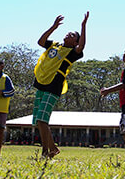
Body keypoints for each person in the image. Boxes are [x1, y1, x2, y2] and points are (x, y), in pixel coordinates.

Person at [32, 12, 87, 158]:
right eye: (68, 33)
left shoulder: (72, 52)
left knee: (43, 120)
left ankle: (45, 152)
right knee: (39, 121)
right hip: (42, 83)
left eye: (73, 35)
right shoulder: (54, 45)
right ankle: (53, 149)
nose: (69, 35)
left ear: (75, 42)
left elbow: (81, 46)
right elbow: (40, 41)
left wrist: (83, 26)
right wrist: (53, 27)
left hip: (54, 86)